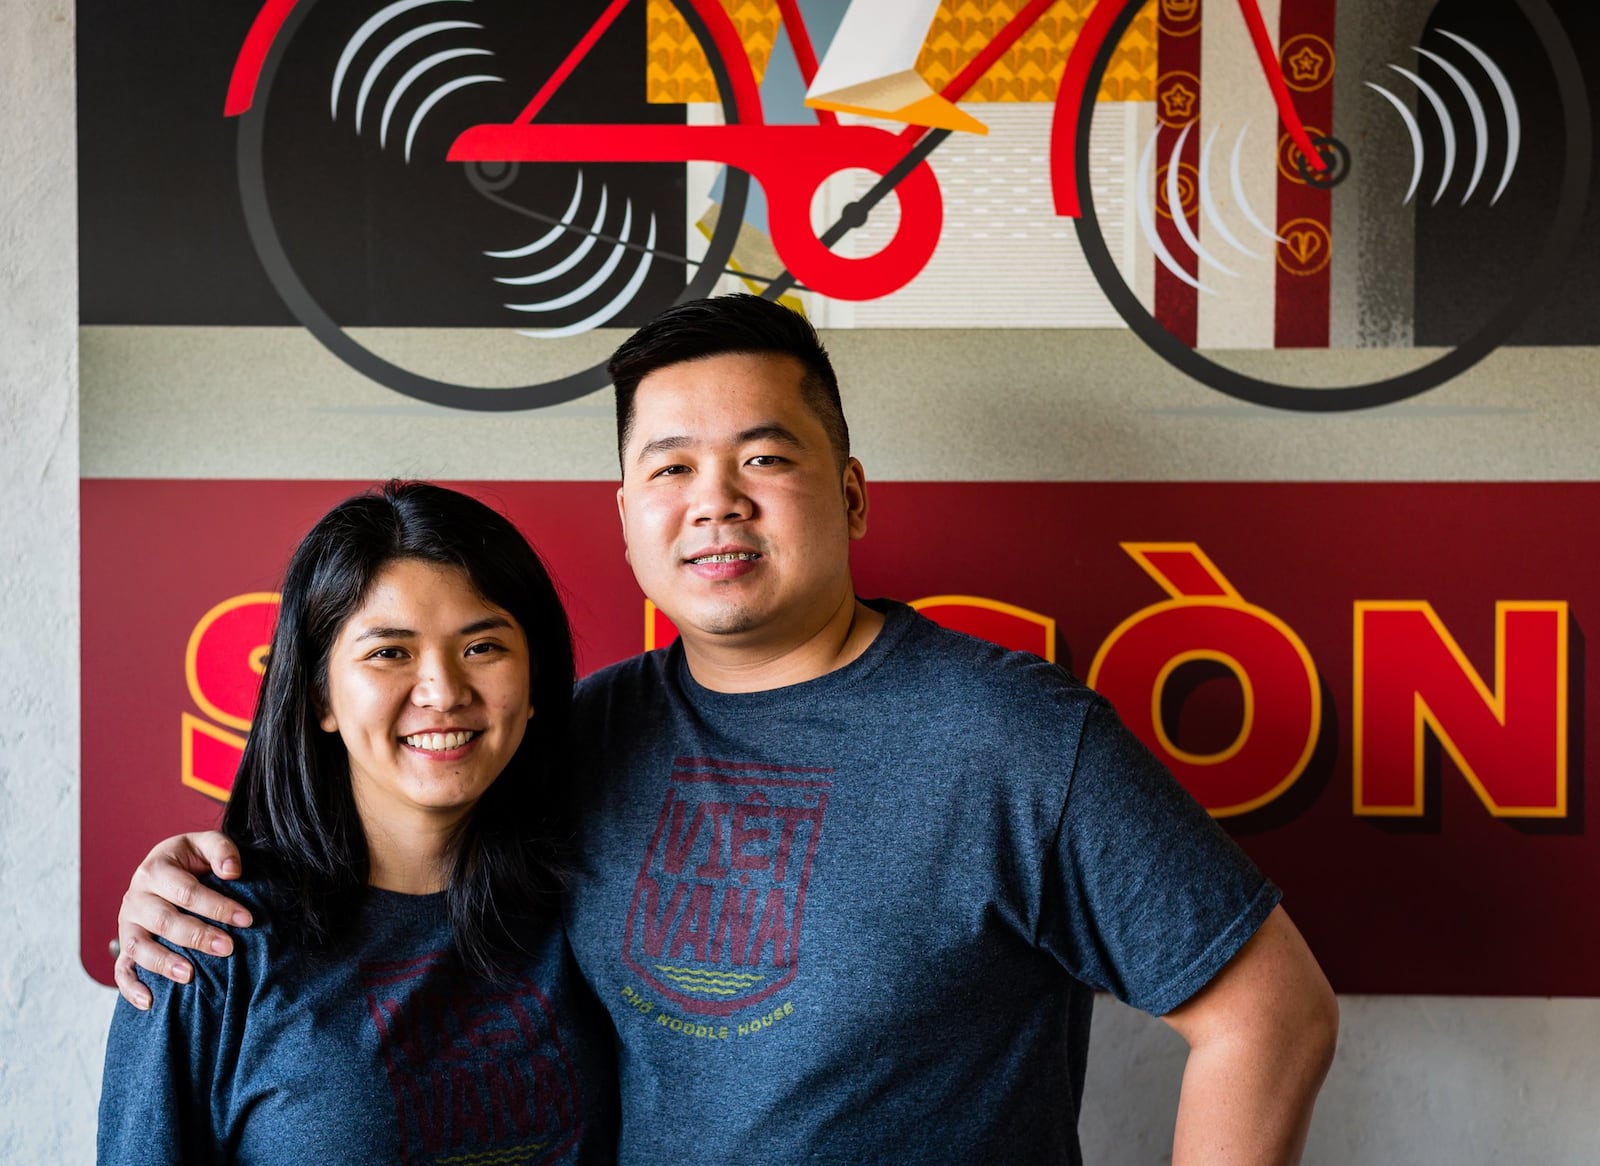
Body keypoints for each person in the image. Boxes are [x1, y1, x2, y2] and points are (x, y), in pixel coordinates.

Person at [115, 295, 1338, 1164]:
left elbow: (1271, 1012)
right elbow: (393, 850)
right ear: (626, 517)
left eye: (764, 457)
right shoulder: (578, 738)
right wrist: (185, 879)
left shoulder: (1013, 734)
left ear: (850, 491)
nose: (716, 503)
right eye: (671, 468)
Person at [99, 482, 616, 1164]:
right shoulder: (209, 940)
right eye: (389, 653)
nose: (443, 692)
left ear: (533, 681)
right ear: (320, 694)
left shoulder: (593, 904)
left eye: (482, 647)